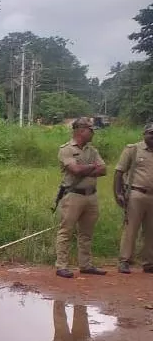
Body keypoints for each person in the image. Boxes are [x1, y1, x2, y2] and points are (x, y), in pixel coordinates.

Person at [54, 117, 107, 278]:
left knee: (86, 233)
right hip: (73, 195)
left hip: (91, 196)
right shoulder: (66, 149)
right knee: (66, 231)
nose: (93, 134)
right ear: (82, 131)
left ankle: (85, 265)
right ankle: (61, 265)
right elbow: (75, 170)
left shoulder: (92, 150)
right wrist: (92, 167)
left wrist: (86, 168)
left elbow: (104, 170)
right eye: (91, 130)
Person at [113, 122, 153, 274]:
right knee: (131, 229)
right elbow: (119, 172)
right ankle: (124, 260)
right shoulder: (133, 149)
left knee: (151, 231)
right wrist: (118, 193)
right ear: (144, 135)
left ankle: (149, 263)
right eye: (151, 134)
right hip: (136, 194)